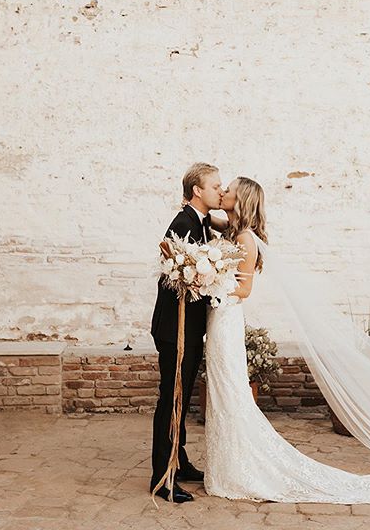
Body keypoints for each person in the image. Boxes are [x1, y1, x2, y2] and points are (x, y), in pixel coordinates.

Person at [203, 176, 370, 503]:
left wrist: (204, 283)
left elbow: (244, 290)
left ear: (241, 199)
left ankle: (241, 468)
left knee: (232, 390)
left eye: (228, 190)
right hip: (220, 318)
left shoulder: (246, 239)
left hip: (228, 315)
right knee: (224, 390)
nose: (223, 192)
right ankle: (227, 465)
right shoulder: (233, 231)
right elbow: (210, 220)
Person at [150, 162, 223, 503]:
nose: (219, 191)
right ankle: (162, 478)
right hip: (174, 329)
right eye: (215, 186)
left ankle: (178, 463)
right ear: (197, 189)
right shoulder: (183, 224)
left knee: (183, 395)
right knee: (172, 399)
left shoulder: (202, 223)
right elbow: (173, 276)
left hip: (190, 327)